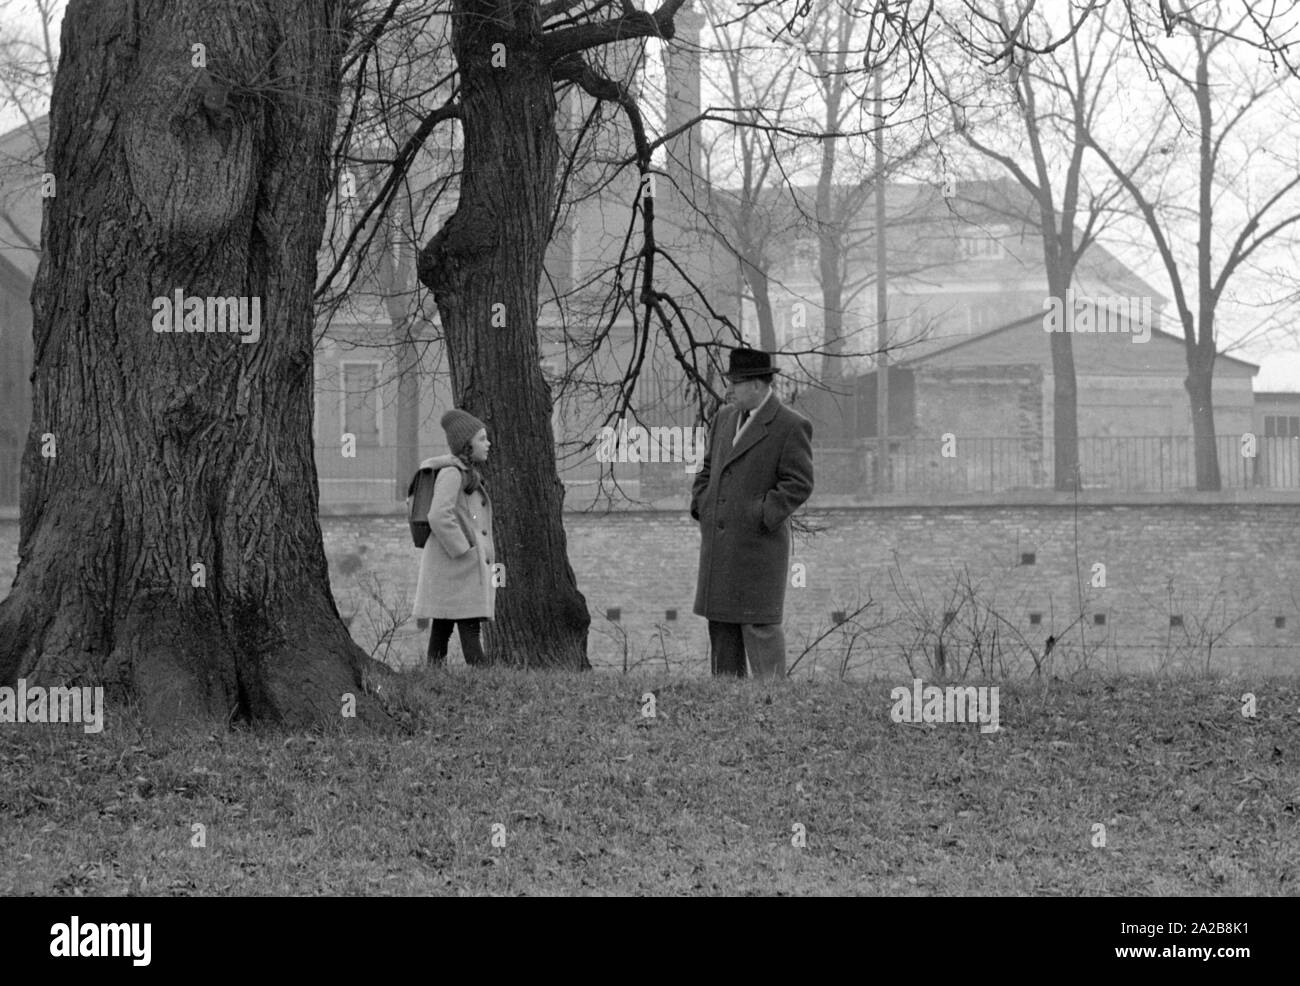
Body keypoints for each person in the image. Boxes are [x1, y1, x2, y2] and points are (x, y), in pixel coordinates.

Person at [690, 347, 814, 680]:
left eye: (737, 383)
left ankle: (773, 705)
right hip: (720, 550)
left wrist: (761, 513)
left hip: (759, 551)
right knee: (722, 631)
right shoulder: (724, 418)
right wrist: (702, 502)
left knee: (760, 629)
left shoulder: (790, 425)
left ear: (758, 385)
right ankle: (727, 712)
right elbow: (706, 469)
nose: (729, 390)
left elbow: (799, 483)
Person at [412, 409, 496, 666]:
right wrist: (463, 548)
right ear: (467, 444)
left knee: (443, 625)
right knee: (468, 625)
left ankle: (434, 675)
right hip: (456, 564)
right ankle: (484, 681)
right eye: (482, 439)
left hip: (454, 566)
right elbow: (438, 515)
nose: (488, 443)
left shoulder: (465, 474)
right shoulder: (452, 473)